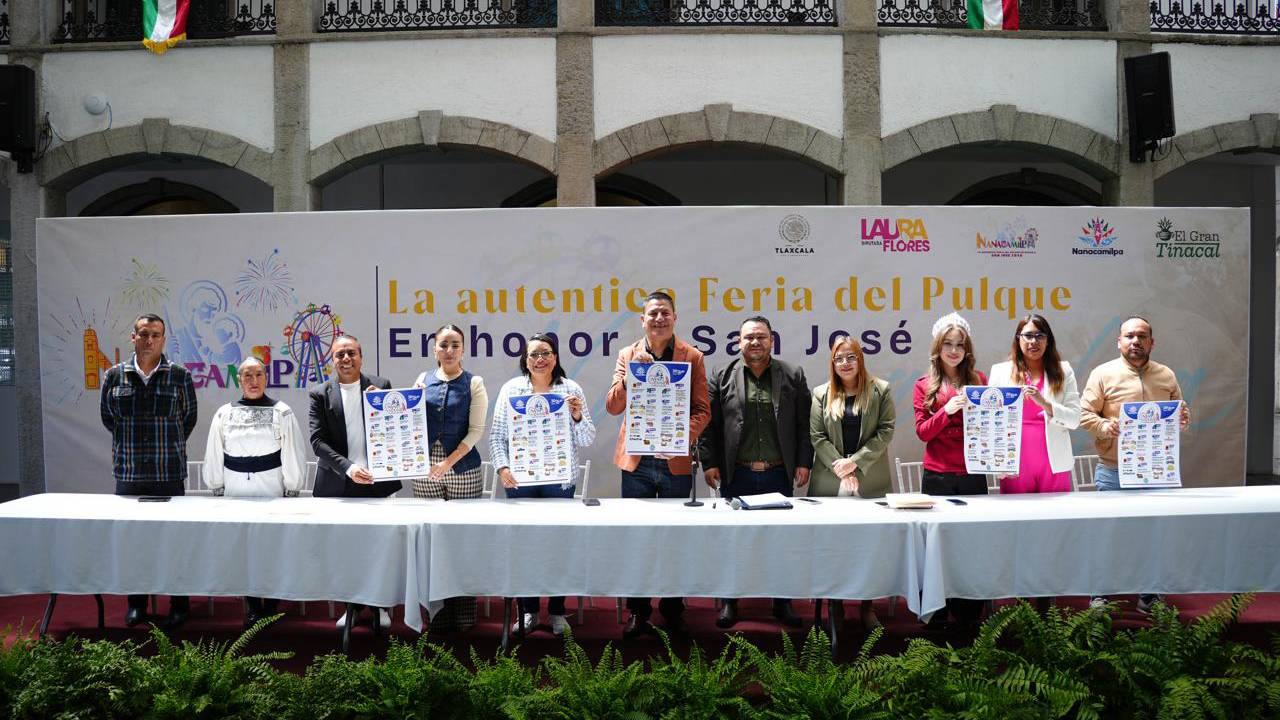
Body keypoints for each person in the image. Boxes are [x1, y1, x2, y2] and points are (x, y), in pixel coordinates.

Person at [605, 291, 711, 639]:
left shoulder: (692, 357)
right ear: (643, 320)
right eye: (652, 314)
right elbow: (613, 406)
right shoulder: (627, 354)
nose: (659, 319)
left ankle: (672, 609)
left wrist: (680, 438)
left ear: (675, 318)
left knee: (675, 539)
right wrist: (632, 376)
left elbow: (702, 411)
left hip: (675, 463)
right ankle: (638, 611)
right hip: (637, 464)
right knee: (637, 539)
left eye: (665, 313)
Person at [698, 316, 811, 630]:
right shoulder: (722, 375)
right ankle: (731, 602)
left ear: (772, 340)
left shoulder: (792, 374)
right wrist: (709, 463)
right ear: (739, 342)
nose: (755, 342)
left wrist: (804, 461)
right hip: (739, 474)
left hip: (777, 473)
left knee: (781, 542)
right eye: (749, 337)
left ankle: (782, 602)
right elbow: (709, 426)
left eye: (761, 337)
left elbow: (804, 425)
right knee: (735, 541)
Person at [1079, 316, 1190, 613]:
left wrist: (1182, 419)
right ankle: (1100, 594)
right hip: (1113, 470)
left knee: (1153, 536)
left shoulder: (1166, 375)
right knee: (1108, 535)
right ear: (1119, 342)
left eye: (1142, 336)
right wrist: (1105, 426)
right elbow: (1084, 414)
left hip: (1155, 472)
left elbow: (1180, 412)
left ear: (1152, 342)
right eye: (1129, 336)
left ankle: (1150, 596)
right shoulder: (1102, 374)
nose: (1135, 341)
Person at [489, 333, 596, 637]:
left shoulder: (570, 389)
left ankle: (559, 611)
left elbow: (587, 438)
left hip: (559, 482)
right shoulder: (512, 390)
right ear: (525, 360)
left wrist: (576, 415)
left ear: (556, 357)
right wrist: (502, 466)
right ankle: (528, 611)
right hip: (520, 482)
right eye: (533, 354)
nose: (539, 359)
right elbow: (497, 436)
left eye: (545, 353)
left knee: (558, 546)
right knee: (524, 546)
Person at [99, 313, 198, 629]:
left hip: (168, 472)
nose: (149, 340)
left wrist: (167, 443)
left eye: (156, 334)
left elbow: (188, 420)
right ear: (133, 337)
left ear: (163, 339)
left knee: (174, 541)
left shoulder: (180, 376)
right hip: (128, 474)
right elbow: (108, 419)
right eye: (143, 333)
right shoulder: (114, 376)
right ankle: (136, 604)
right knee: (133, 542)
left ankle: (179, 604)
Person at [202, 356, 308, 629]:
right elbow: (215, 451)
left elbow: (292, 452)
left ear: (266, 378)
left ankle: (272, 603)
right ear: (239, 380)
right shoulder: (225, 413)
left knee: (270, 547)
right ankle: (252, 605)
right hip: (235, 489)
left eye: (258, 374)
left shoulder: (281, 412)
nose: (253, 381)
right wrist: (215, 483)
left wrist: (292, 485)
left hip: (270, 487)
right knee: (242, 549)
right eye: (247, 376)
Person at [308, 334, 398, 631]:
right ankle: (353, 606)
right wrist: (348, 468)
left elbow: (398, 428)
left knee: (380, 550)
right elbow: (317, 441)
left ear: (361, 356)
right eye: (340, 355)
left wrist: (383, 405)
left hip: (376, 482)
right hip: (339, 483)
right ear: (332, 360)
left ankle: (381, 606)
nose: (346, 359)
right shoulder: (319, 393)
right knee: (346, 551)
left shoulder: (381, 385)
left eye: (351, 353)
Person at [808, 334, 895, 631]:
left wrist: (855, 462)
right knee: (832, 546)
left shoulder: (880, 390)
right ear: (832, 363)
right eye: (839, 358)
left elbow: (885, 431)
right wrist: (842, 469)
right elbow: (817, 437)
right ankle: (835, 605)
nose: (845, 363)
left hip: (869, 480)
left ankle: (867, 606)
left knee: (868, 547)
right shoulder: (821, 393)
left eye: (851, 357)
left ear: (860, 359)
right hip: (830, 482)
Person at [411, 323, 488, 633]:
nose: (449, 350)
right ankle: (436, 611)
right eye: (444, 344)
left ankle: (464, 611)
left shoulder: (474, 383)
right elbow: (407, 415)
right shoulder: (422, 380)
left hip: (463, 470)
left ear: (463, 349)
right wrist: (381, 401)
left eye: (455, 344)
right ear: (435, 349)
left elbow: (476, 431)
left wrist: (448, 462)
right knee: (429, 540)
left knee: (462, 542)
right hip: (426, 471)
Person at [912, 312, 987, 629]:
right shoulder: (923, 385)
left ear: (967, 349)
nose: (954, 350)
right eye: (948, 344)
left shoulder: (980, 381)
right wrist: (948, 410)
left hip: (972, 475)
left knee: (972, 544)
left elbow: (991, 430)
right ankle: (937, 612)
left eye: (960, 345)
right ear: (937, 348)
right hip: (938, 476)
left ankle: (970, 612)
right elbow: (923, 432)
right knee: (936, 547)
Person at [988, 314, 1081, 494]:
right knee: (1017, 520)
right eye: (1028, 335)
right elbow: (992, 423)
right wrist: (996, 463)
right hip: (1015, 464)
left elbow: (1075, 419)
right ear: (1018, 339)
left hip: (1054, 462)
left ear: (1048, 341)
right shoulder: (1000, 371)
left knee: (1057, 519)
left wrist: (1045, 403)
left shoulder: (1064, 371)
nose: (1034, 341)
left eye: (1040, 336)